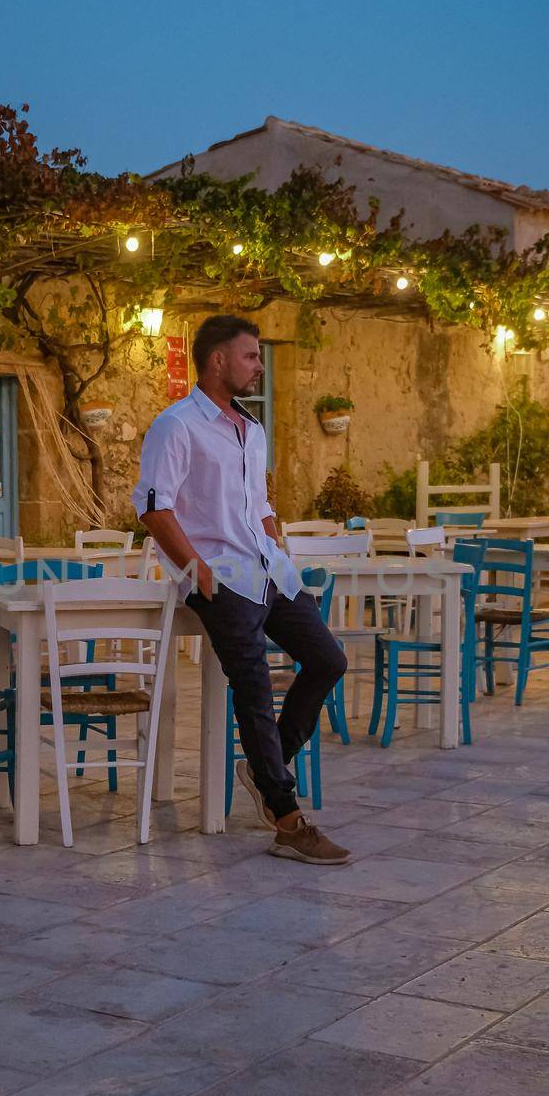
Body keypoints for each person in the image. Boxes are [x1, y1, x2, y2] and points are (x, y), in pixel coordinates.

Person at [133, 314, 351, 865]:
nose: (258, 365)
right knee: (252, 681)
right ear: (217, 361)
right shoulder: (176, 425)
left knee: (328, 660)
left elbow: (259, 501)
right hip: (220, 578)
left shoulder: (250, 429)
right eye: (251, 356)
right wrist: (197, 569)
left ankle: (262, 769)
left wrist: (276, 535)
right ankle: (287, 818)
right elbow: (154, 507)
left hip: (270, 573)